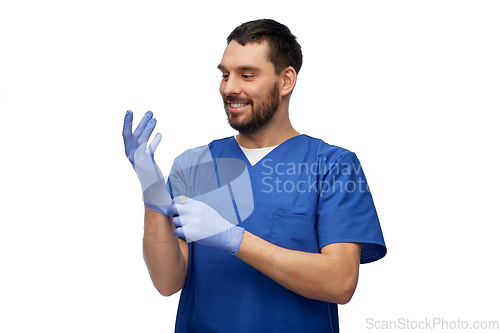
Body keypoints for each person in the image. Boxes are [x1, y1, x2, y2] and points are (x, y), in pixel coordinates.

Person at [123, 19, 386, 333]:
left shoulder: (333, 166)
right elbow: (168, 281)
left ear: (286, 80)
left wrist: (236, 239)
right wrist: (152, 194)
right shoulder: (195, 164)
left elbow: (340, 282)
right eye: (225, 74)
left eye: (246, 75)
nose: (230, 87)